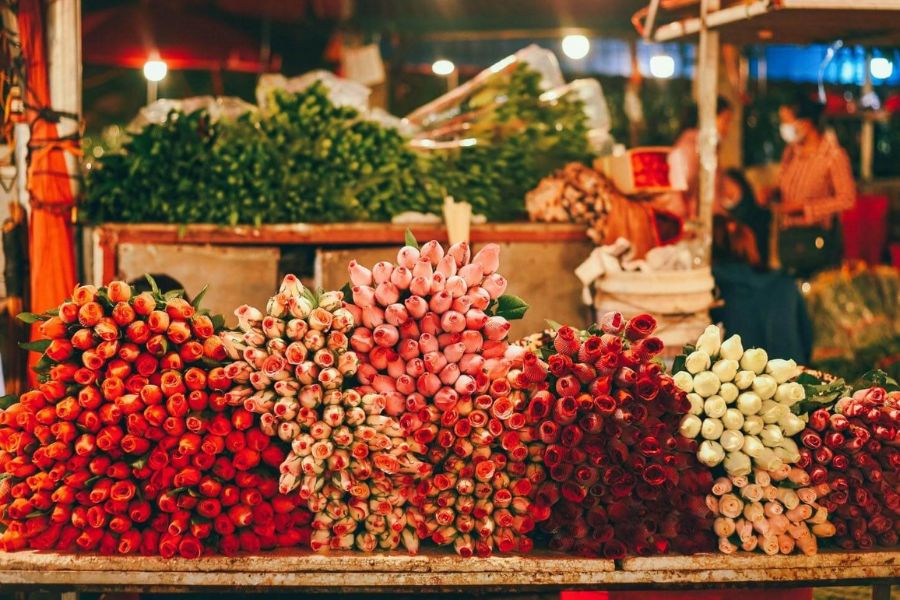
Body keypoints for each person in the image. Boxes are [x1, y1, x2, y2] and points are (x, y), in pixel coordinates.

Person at [773, 94, 855, 277]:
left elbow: (847, 199)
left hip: (817, 240)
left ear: (806, 123)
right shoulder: (791, 153)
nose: (784, 128)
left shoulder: (833, 156)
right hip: (789, 238)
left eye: (788, 121)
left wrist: (806, 208)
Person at [667, 96, 734, 220]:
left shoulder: (707, 149)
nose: (728, 128)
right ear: (708, 118)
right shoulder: (689, 148)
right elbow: (678, 194)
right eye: (725, 120)